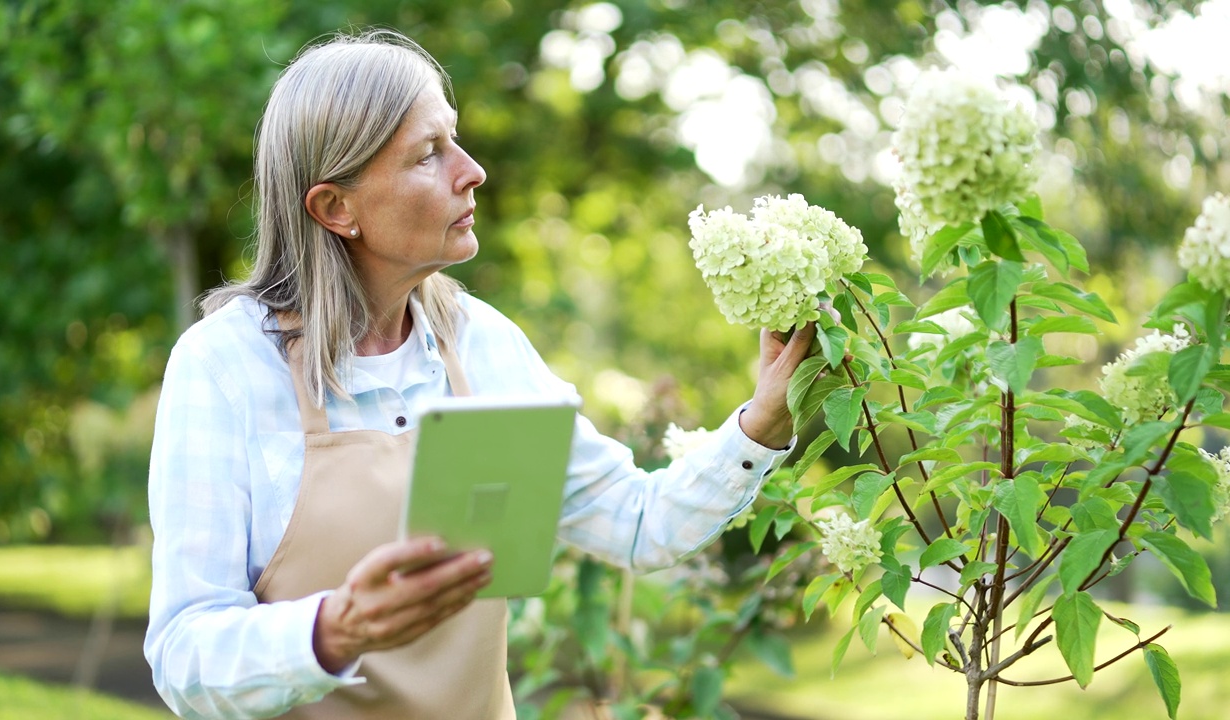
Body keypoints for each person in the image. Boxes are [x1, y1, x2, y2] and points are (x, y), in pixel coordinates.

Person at [144, 28, 814, 720]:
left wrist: (761, 425)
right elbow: (184, 658)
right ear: (335, 208)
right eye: (428, 154)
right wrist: (335, 629)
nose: (472, 171)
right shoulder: (223, 368)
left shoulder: (486, 344)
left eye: (454, 139)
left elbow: (636, 522)